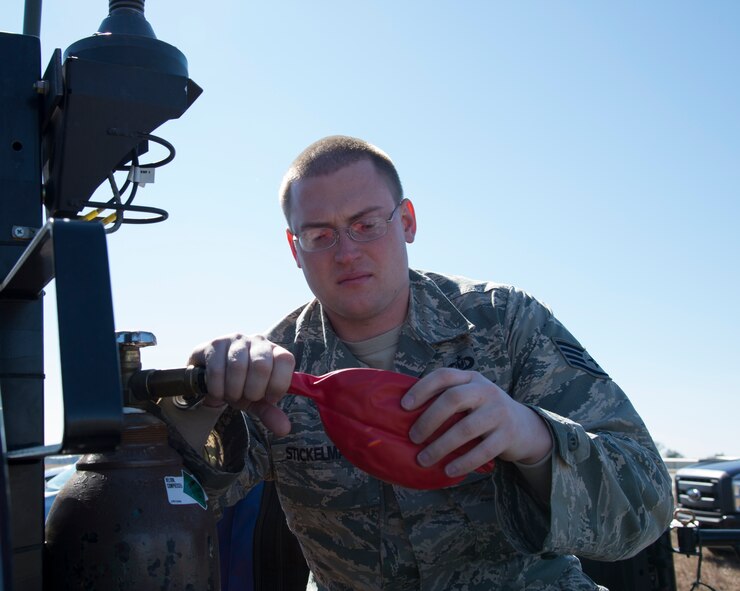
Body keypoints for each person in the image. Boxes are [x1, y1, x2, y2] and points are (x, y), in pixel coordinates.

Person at [158, 135, 674, 590]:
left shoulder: (507, 322)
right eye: (320, 235)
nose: (346, 252)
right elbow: (175, 509)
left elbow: (647, 506)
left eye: (366, 224)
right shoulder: (272, 371)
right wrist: (201, 402)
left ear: (406, 221)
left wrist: (532, 437)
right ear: (295, 248)